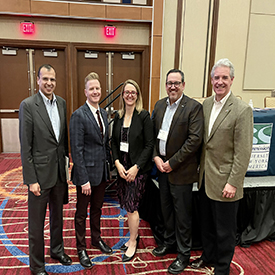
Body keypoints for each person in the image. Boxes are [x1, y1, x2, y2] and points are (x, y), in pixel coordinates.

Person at [190, 58, 253, 275]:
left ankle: (222, 267)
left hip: (226, 182)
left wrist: (233, 182)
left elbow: (243, 152)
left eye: (224, 77)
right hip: (206, 178)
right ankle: (208, 256)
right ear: (211, 80)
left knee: (225, 230)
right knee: (206, 224)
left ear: (232, 80)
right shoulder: (206, 104)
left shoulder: (242, 110)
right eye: (216, 77)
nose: (219, 81)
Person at [19, 64, 72, 275]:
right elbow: (26, 147)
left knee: (58, 216)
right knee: (36, 224)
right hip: (39, 177)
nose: (49, 83)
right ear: (38, 80)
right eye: (45, 79)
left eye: (52, 79)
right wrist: (31, 180)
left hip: (59, 173)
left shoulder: (61, 103)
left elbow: (62, 140)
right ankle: (37, 265)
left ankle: (57, 250)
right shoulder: (29, 105)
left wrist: (67, 165)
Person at [152, 69, 204, 274]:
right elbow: (153, 136)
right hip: (161, 168)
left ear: (183, 84)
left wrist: (172, 162)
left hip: (180, 170)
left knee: (182, 215)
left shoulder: (193, 107)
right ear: (165, 85)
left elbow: (194, 141)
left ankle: (184, 254)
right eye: (169, 83)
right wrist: (156, 157)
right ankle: (169, 243)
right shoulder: (159, 105)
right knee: (166, 210)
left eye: (176, 83)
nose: (172, 86)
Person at [70, 72, 112, 269]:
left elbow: (104, 145)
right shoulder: (78, 115)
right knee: (81, 213)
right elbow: (76, 151)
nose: (95, 92)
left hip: (101, 173)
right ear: (85, 91)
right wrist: (83, 179)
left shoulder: (103, 113)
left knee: (97, 209)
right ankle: (81, 247)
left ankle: (96, 239)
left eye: (98, 88)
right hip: (86, 175)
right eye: (91, 89)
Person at [111, 79, 154, 262]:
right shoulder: (118, 116)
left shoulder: (143, 116)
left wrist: (136, 167)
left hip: (137, 170)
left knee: (132, 206)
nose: (130, 95)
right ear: (122, 95)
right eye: (126, 92)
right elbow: (113, 142)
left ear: (137, 95)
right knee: (127, 206)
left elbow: (149, 144)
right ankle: (133, 235)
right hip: (122, 169)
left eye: (133, 92)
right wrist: (117, 163)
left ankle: (133, 241)